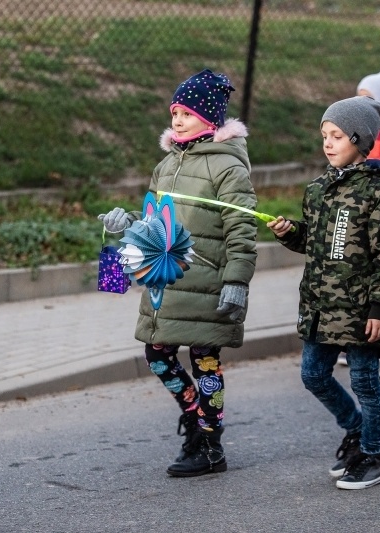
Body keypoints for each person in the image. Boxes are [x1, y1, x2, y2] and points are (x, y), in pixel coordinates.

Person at [98, 69, 257, 477]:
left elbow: (242, 229)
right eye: (174, 111)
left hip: (207, 281)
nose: (177, 119)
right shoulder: (167, 164)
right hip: (167, 280)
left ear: (209, 119)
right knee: (157, 353)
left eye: (186, 112)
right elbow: (154, 221)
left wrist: (237, 281)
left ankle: (210, 446)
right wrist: (126, 221)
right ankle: (195, 416)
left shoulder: (227, 168)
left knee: (205, 359)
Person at [268, 96, 380, 490]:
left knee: (364, 381)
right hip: (321, 307)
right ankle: (356, 429)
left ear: (360, 140)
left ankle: (374, 455)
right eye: (324, 135)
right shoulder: (317, 190)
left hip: (360, 310)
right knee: (313, 375)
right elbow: (313, 242)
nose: (327, 143)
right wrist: (290, 233)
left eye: (337, 136)